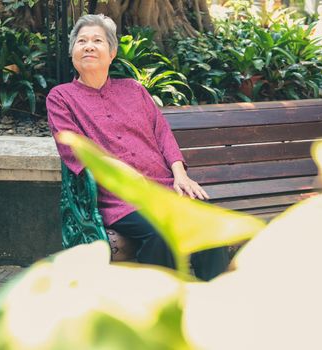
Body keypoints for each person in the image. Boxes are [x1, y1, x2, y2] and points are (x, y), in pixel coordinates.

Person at [47, 14, 229, 280]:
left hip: (163, 188)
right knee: (160, 232)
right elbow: (73, 148)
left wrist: (180, 175)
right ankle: (158, 310)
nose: (88, 46)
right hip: (118, 198)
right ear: (72, 53)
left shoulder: (133, 89)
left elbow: (162, 133)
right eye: (81, 41)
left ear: (111, 53)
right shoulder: (61, 97)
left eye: (97, 40)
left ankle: (212, 302)